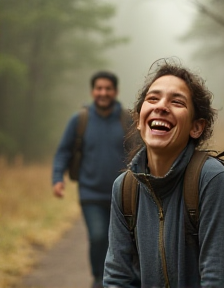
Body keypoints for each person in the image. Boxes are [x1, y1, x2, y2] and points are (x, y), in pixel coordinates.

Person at [103, 59, 224, 288]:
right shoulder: (124, 188)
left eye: (177, 101)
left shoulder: (210, 178)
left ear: (196, 127)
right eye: (152, 98)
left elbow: (217, 279)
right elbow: (117, 277)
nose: (161, 106)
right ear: (138, 120)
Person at [52, 71, 131, 288]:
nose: (103, 93)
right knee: (98, 237)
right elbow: (63, 152)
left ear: (115, 91)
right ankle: (98, 278)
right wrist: (57, 178)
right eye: (99, 88)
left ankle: (118, 280)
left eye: (108, 88)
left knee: (122, 242)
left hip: (123, 196)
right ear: (92, 91)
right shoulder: (80, 120)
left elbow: (140, 152)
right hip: (90, 193)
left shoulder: (128, 120)